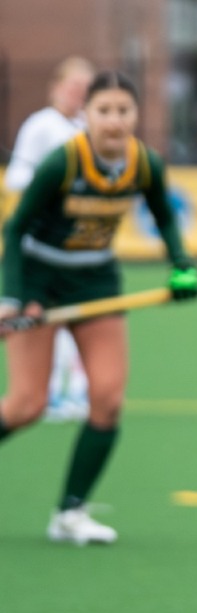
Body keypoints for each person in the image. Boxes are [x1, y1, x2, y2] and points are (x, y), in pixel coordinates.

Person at [0, 70, 197, 545]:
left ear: (136, 115)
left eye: (123, 111)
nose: (114, 121)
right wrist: (11, 299)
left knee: (107, 399)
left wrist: (182, 264)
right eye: (104, 111)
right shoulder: (62, 163)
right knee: (27, 405)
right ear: (86, 116)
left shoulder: (144, 163)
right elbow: (15, 229)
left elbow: (163, 215)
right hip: (40, 280)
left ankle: (70, 513)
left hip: (96, 284)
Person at [4, 56, 95, 423]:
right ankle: (54, 391)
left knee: (81, 320)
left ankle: (75, 389)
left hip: (80, 246)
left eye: (85, 90)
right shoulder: (42, 126)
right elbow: (15, 180)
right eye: (74, 87)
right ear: (56, 87)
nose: (79, 95)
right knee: (46, 322)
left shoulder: (88, 126)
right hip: (41, 247)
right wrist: (50, 185)